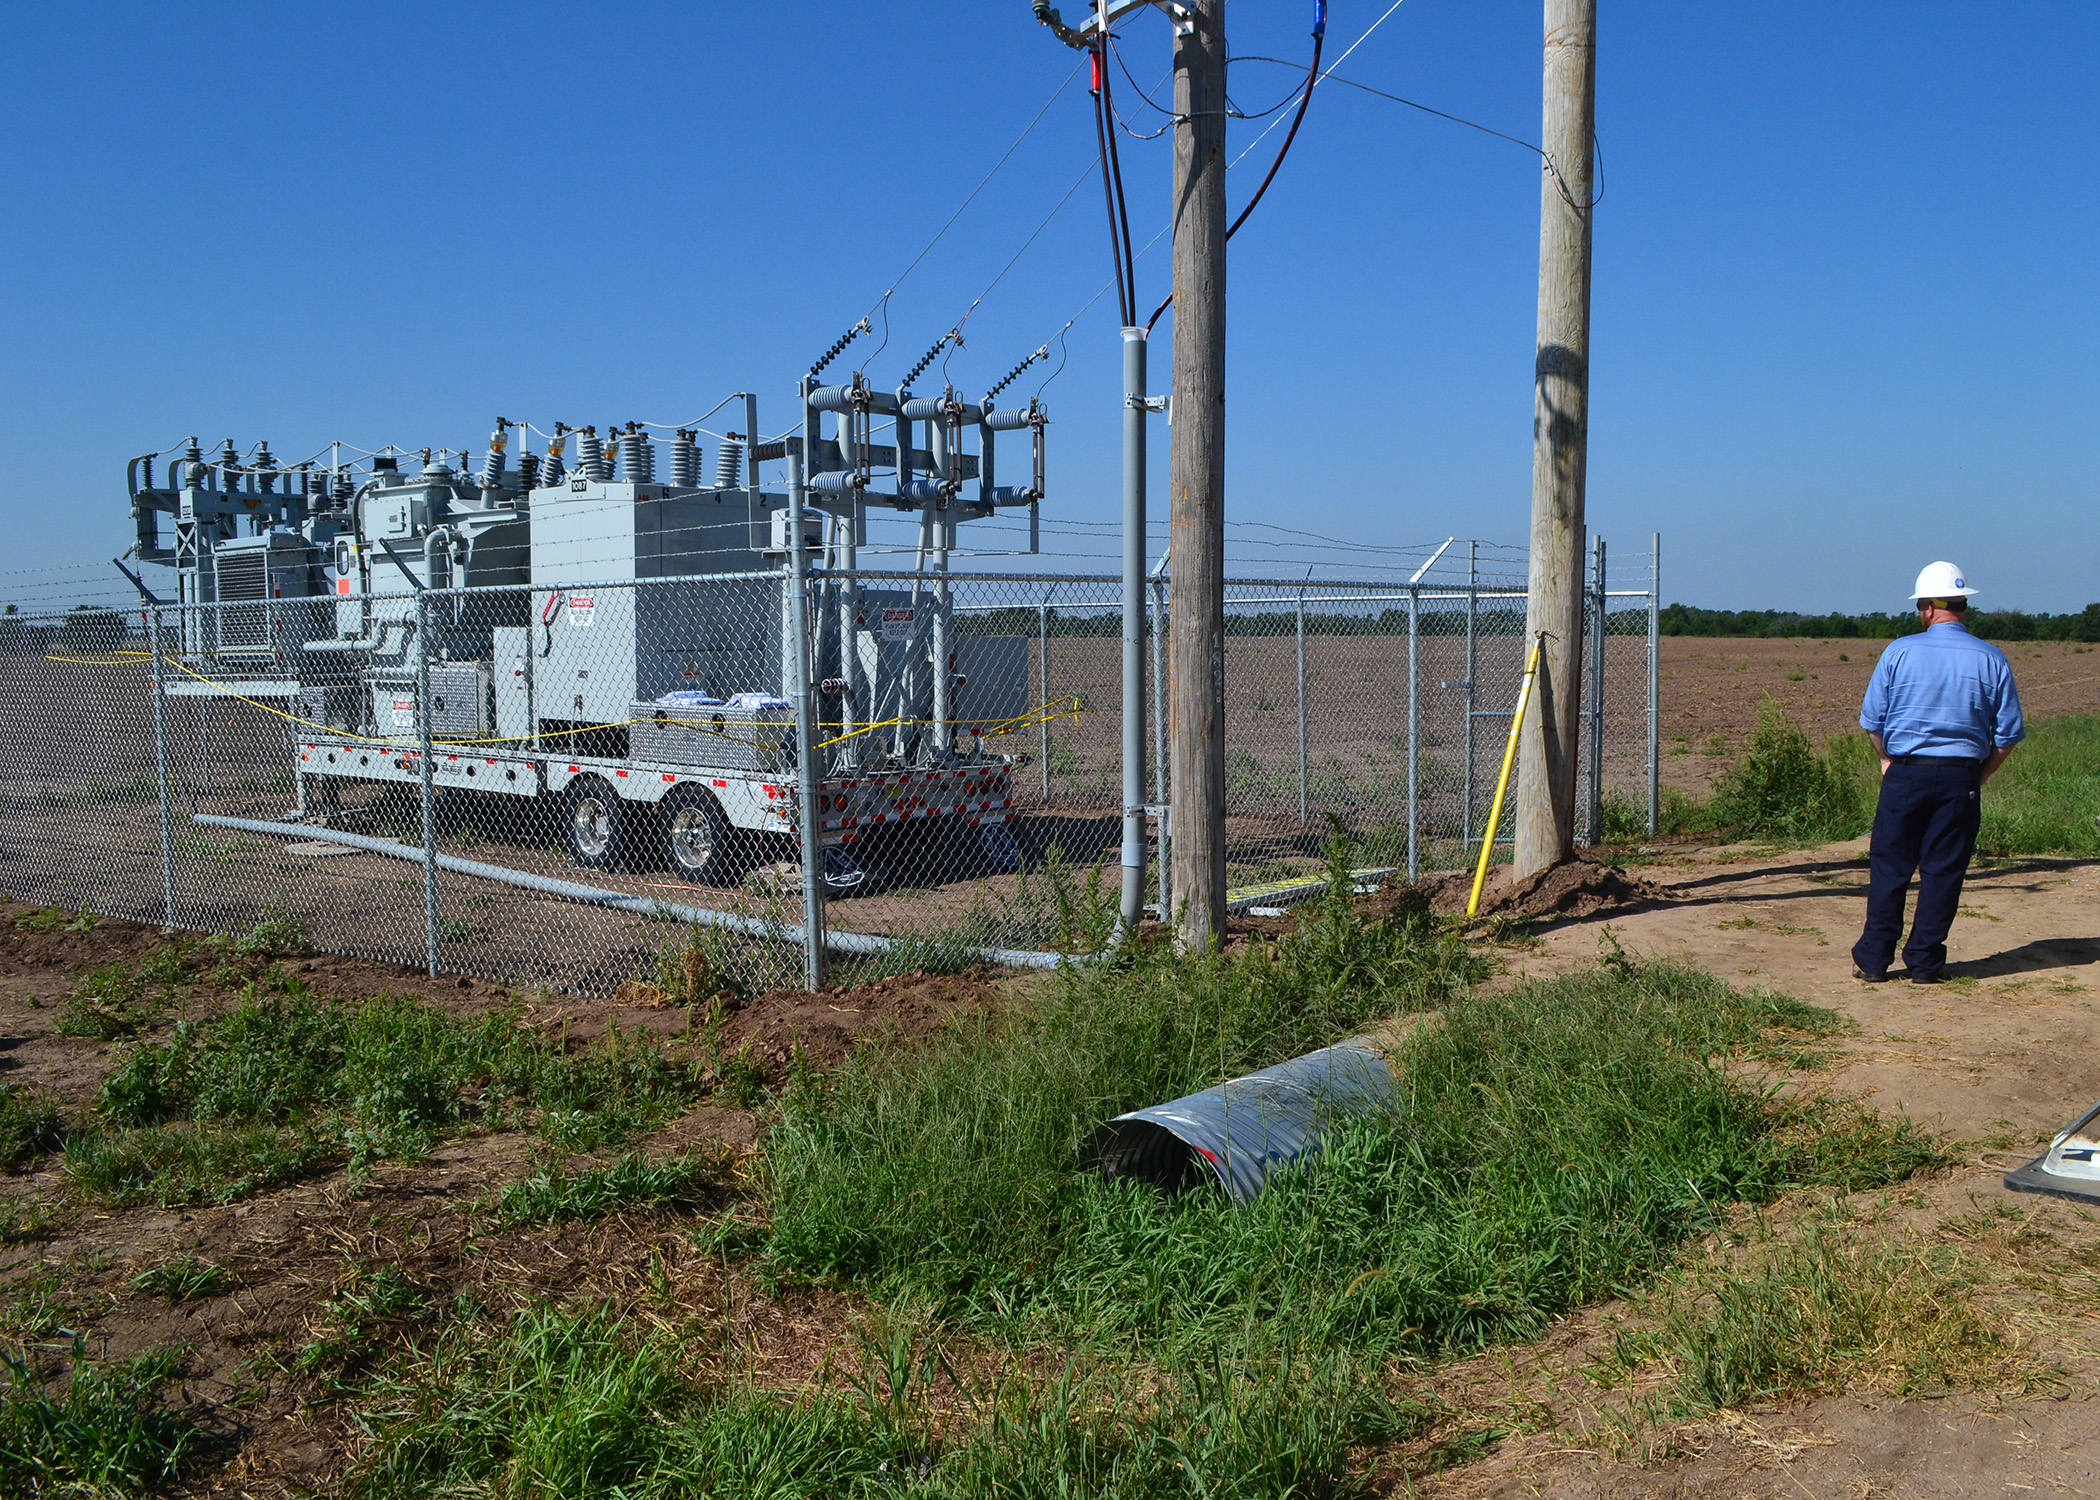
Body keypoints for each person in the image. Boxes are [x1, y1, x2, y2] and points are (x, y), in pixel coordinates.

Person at [1852, 561, 2024, 984]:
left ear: (1927, 607)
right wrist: (1979, 775)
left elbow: (1873, 721)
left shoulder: (1899, 651)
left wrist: (1887, 759)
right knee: (1944, 871)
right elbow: (2008, 735)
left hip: (1906, 774)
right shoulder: (1992, 658)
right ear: (1963, 605)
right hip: (1960, 778)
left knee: (1890, 868)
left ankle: (1874, 960)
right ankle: (1926, 963)